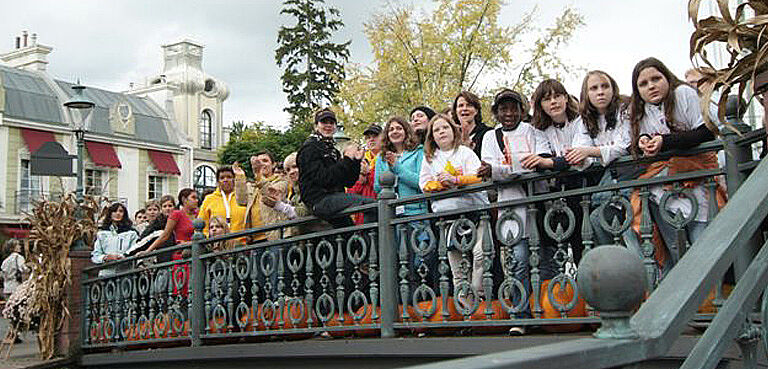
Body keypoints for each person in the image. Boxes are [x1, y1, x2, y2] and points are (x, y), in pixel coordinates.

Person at [628, 57, 724, 273]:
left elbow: (706, 130)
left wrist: (665, 142)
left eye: (656, 79)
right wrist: (643, 140)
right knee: (677, 249)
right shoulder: (641, 110)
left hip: (697, 180)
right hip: (664, 190)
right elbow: (638, 142)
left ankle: (712, 295)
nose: (651, 86)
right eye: (643, 84)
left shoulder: (683, 94)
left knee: (704, 244)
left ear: (667, 78)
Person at [480, 89, 538, 330]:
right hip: (508, 205)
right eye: (503, 109)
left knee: (544, 260)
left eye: (513, 108)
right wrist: (505, 170)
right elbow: (488, 168)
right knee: (517, 260)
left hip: (536, 202)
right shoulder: (490, 138)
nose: (509, 113)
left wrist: (502, 170)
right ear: (496, 112)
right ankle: (520, 314)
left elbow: (532, 165)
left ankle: (547, 313)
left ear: (522, 110)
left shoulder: (531, 130)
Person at [419, 113, 488, 299]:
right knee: (457, 268)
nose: (441, 132)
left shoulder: (465, 152)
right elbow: (424, 184)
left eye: (445, 127)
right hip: (449, 219)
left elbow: (478, 177)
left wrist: (456, 180)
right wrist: (441, 184)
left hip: (475, 213)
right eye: (436, 129)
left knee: (481, 254)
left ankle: (478, 296)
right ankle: (465, 308)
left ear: (453, 130)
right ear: (431, 136)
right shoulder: (430, 158)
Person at [570, 71, 638, 252]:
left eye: (605, 86)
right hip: (610, 181)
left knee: (631, 226)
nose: (600, 92)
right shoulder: (583, 121)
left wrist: (590, 152)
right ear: (587, 94)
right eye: (594, 88)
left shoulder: (625, 110)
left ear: (613, 88)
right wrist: (581, 157)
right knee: (596, 220)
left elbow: (624, 145)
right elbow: (581, 153)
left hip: (633, 175)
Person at [527, 78, 591, 264]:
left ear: (565, 98)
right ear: (540, 105)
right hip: (558, 194)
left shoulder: (580, 122)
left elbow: (577, 155)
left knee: (584, 242)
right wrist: (547, 161)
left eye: (557, 96)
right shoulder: (539, 129)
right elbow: (542, 154)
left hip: (583, 186)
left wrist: (548, 162)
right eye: (547, 99)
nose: (553, 102)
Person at [374, 116, 432, 286]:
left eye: (399, 128)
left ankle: (423, 300)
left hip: (416, 214)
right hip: (393, 216)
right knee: (401, 263)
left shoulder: (419, 152)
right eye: (391, 129)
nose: (395, 132)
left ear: (406, 131)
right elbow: (378, 187)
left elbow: (421, 182)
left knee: (421, 260)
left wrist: (397, 168)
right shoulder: (382, 157)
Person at [297, 108, 376, 228]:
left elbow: (348, 182)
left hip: (335, 199)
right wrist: (347, 159)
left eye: (331, 122)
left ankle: (373, 245)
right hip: (319, 201)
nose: (328, 125)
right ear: (316, 126)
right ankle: (377, 245)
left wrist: (355, 161)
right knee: (370, 205)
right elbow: (324, 179)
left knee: (352, 237)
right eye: (324, 122)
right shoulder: (309, 149)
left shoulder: (333, 151)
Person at [91, 203, 139, 277]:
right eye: (114, 211)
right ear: (110, 214)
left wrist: (123, 257)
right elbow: (96, 255)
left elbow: (135, 251)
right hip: (106, 273)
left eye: (120, 211)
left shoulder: (132, 233)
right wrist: (105, 258)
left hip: (126, 273)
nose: (118, 213)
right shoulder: (102, 233)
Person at [348, 124, 382, 224]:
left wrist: (368, 173)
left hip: (381, 212)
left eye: (375, 136)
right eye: (368, 137)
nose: (371, 140)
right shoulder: (359, 160)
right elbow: (351, 192)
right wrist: (361, 179)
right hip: (362, 216)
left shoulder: (388, 158)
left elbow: (382, 186)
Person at [198, 166, 247, 236]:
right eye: (222, 178)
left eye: (229, 177)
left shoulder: (243, 197)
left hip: (241, 242)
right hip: (217, 243)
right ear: (218, 182)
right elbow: (202, 223)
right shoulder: (209, 199)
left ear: (234, 179)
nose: (225, 180)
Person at [452, 91, 491, 158]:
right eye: (461, 105)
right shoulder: (451, 136)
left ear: (476, 111)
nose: (464, 109)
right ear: (456, 111)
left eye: (469, 105)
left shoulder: (488, 134)